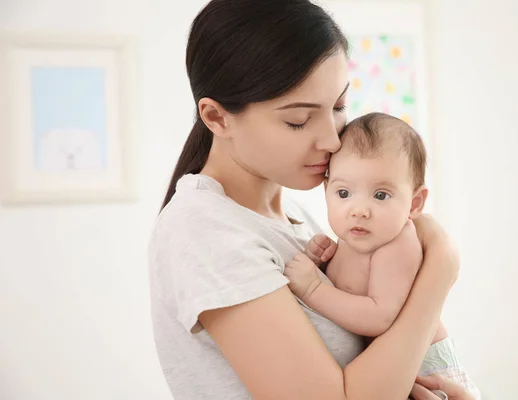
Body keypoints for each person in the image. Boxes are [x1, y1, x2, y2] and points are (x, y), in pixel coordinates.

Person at [148, 0, 477, 399]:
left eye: (338, 107)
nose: (333, 139)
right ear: (217, 117)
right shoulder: (204, 228)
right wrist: (441, 267)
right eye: (298, 121)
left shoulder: (298, 217)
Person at [284, 112, 481, 399]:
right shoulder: (360, 234)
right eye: (343, 193)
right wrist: (324, 260)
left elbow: (378, 316)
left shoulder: (397, 244)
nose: (359, 209)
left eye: (380, 195)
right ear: (327, 190)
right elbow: (350, 282)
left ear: (414, 203)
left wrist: (313, 287)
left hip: (430, 371)